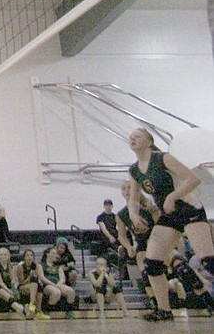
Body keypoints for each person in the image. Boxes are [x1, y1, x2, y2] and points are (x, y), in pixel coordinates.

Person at [126, 127, 214, 322]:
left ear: (149, 142)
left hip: (188, 208)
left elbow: (194, 178)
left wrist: (173, 196)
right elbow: (133, 199)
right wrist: (133, 214)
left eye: (137, 136)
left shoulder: (163, 158)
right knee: (153, 263)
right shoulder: (134, 169)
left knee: (208, 261)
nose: (132, 138)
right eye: (130, 137)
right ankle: (164, 310)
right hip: (169, 214)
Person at [38, 246, 77, 315]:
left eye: (55, 253)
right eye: (53, 253)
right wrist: (54, 285)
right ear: (47, 254)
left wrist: (58, 285)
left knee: (70, 291)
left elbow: (62, 278)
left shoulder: (58, 266)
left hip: (57, 284)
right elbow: (42, 278)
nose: (55, 255)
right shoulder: (41, 265)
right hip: (47, 285)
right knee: (56, 292)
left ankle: (69, 311)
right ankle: (47, 310)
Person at [0, 247, 29, 318]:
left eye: (5, 255)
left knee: (16, 294)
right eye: (1, 255)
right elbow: (0, 282)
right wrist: (8, 291)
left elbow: (12, 280)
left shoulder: (10, 265)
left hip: (8, 286)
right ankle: (22, 308)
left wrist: (13, 289)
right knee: (9, 296)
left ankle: (20, 308)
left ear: (8, 256)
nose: (3, 256)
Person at [86, 255, 128, 319]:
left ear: (105, 266)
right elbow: (96, 284)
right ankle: (102, 313)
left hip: (106, 294)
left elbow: (112, 284)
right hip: (95, 295)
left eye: (101, 264)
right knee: (99, 289)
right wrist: (102, 274)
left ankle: (125, 313)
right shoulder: (91, 273)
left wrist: (106, 275)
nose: (99, 266)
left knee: (117, 289)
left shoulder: (108, 273)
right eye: (97, 264)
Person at [15, 248, 47, 319]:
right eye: (27, 255)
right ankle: (32, 304)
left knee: (38, 285)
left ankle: (38, 311)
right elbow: (21, 282)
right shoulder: (20, 266)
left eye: (31, 255)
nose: (29, 257)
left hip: (33, 286)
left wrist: (34, 276)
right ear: (24, 257)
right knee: (34, 282)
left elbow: (39, 279)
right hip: (22, 286)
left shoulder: (36, 266)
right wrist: (29, 277)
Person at [95, 198, 119, 263]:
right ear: (104, 206)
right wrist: (110, 237)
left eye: (110, 205)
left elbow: (120, 226)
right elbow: (103, 228)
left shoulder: (115, 216)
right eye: (106, 205)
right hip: (104, 237)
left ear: (112, 206)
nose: (108, 206)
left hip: (115, 235)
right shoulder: (100, 217)